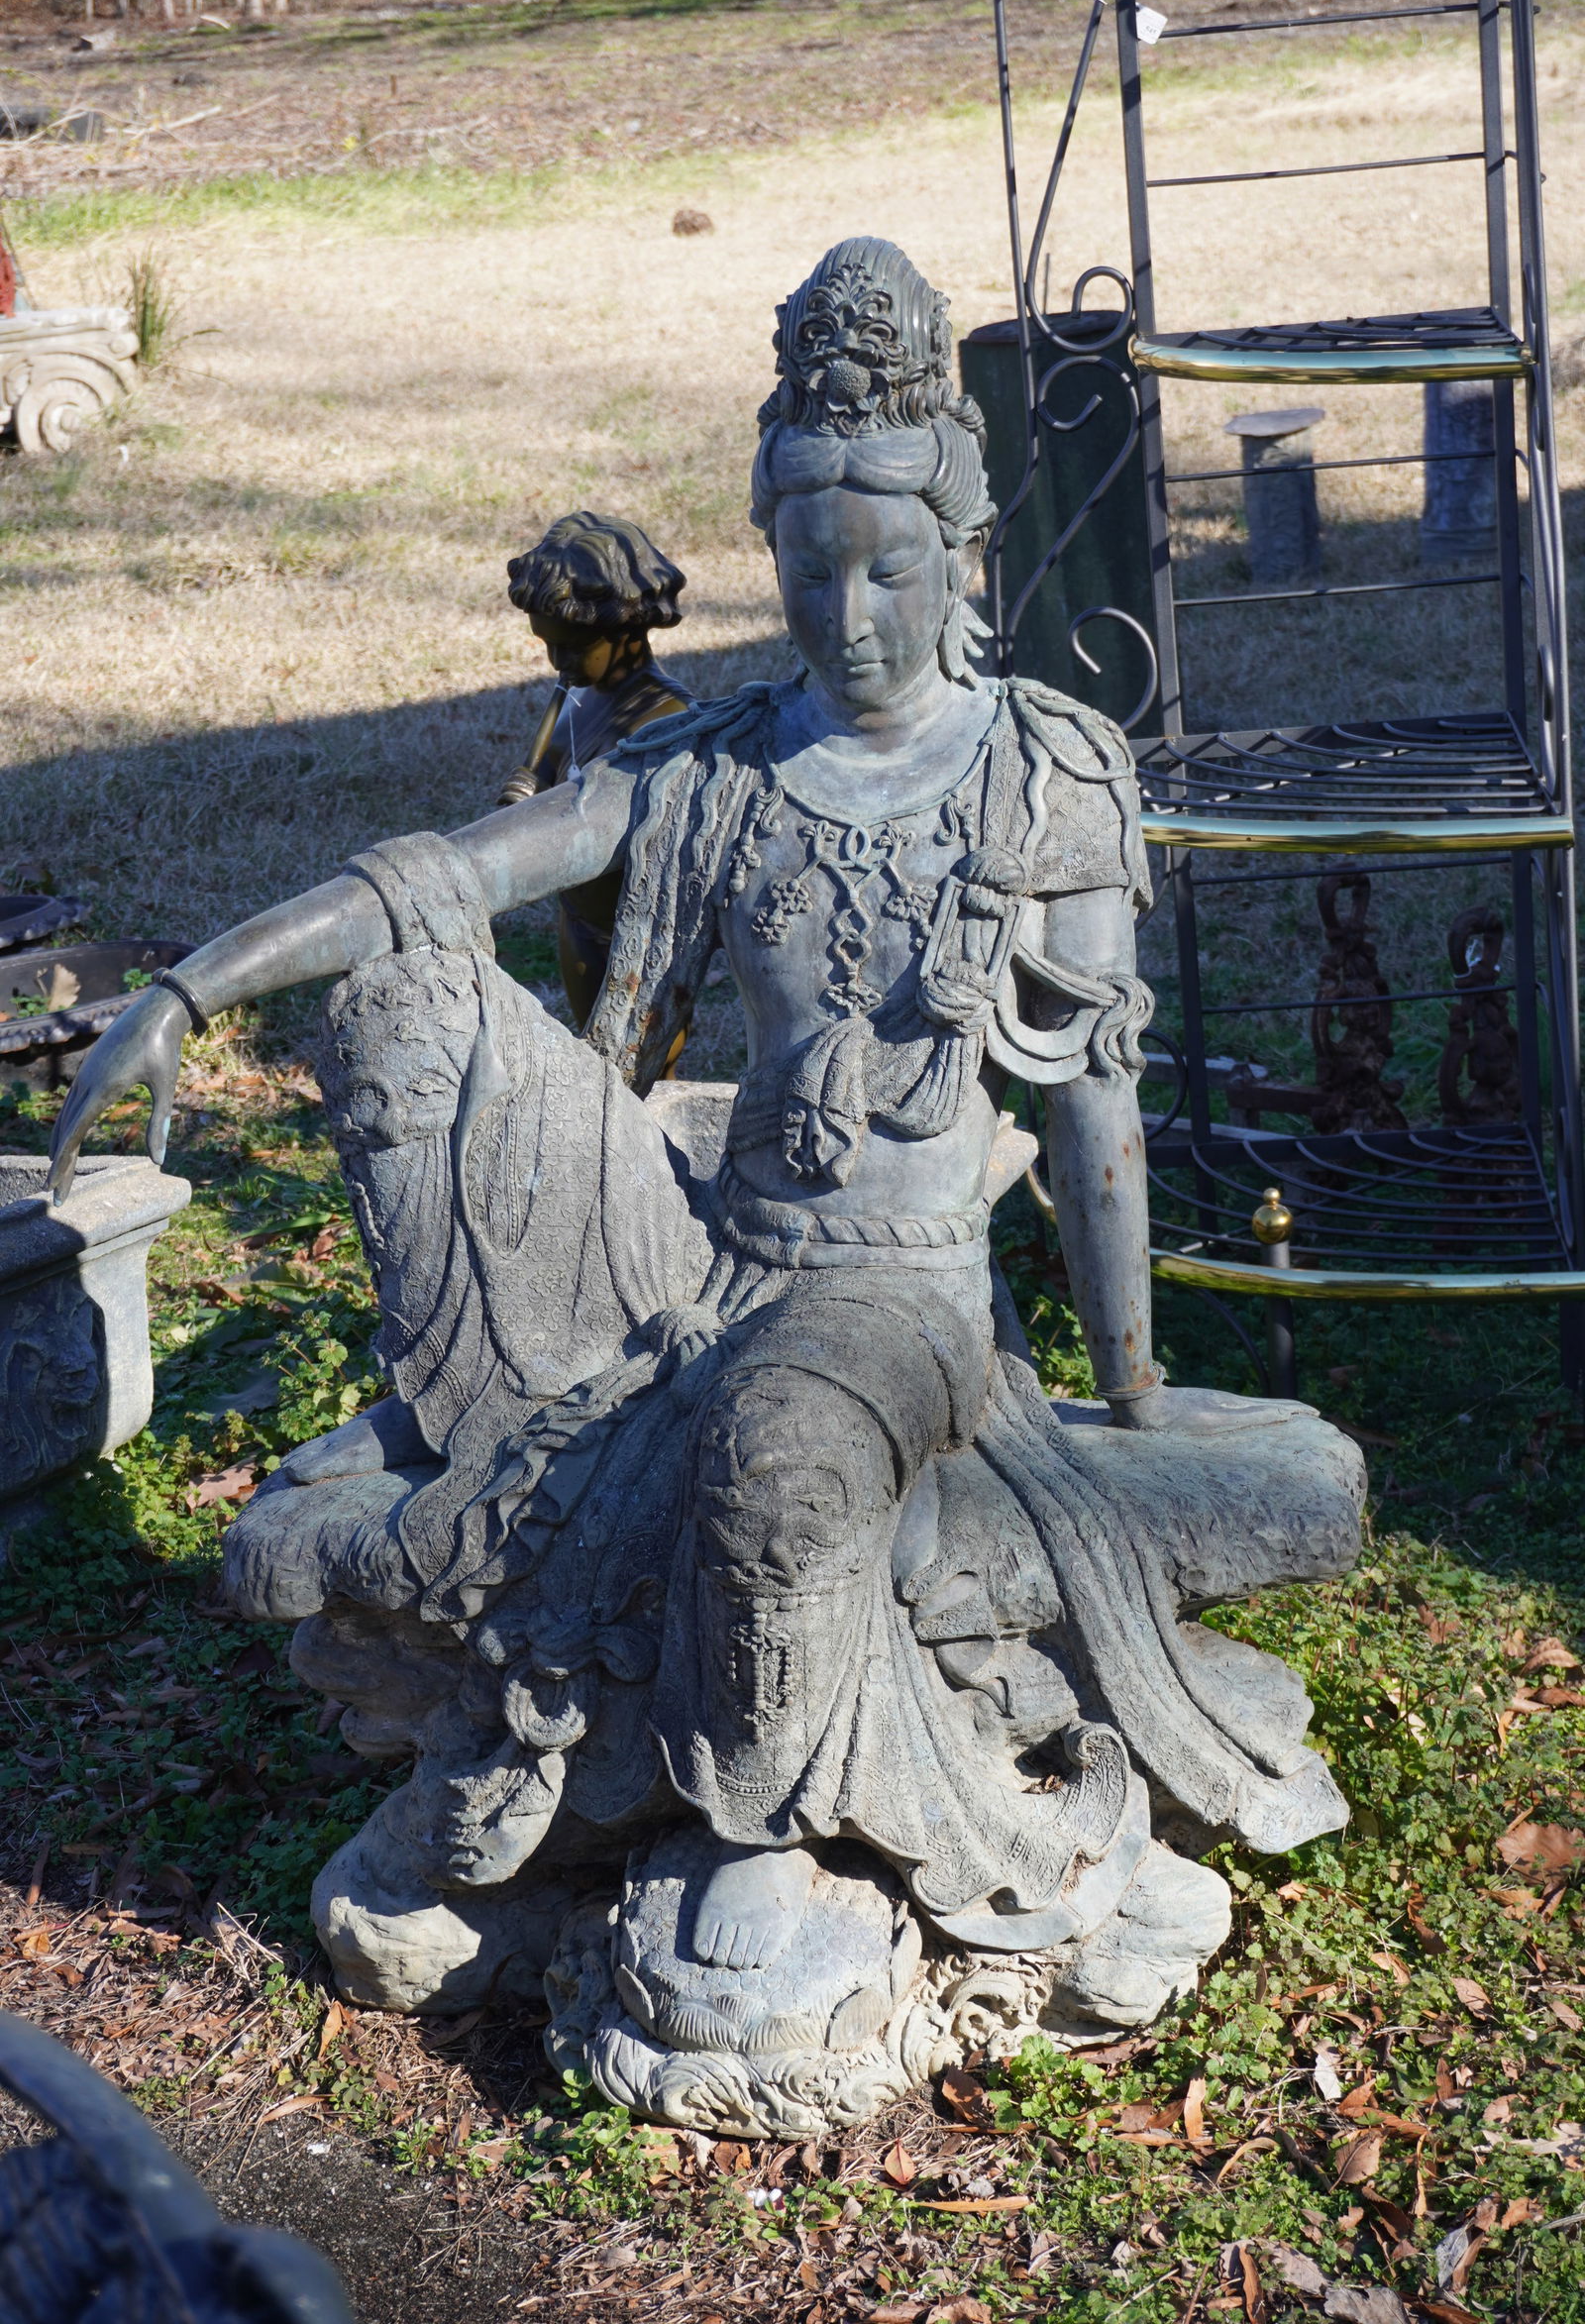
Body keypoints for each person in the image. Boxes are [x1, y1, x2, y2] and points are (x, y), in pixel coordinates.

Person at [50, 241, 1359, 2105]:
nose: (853, 610)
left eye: (892, 565)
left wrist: (1134, 1391)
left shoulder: (1045, 773)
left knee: (774, 1468)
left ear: (960, 552)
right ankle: (641, 1747)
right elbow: (458, 867)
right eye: (811, 566)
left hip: (897, 1304)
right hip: (689, 1258)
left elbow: (1092, 1114)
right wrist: (192, 979)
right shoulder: (717, 766)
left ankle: (764, 1819)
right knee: (419, 990)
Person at [496, 512, 693, 1028]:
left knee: (642, 1073)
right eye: (548, 644)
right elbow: (555, 773)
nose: (557, 662)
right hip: (580, 918)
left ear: (628, 628)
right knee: (594, 1053)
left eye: (573, 647)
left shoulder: (665, 721)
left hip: (638, 937)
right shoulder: (581, 694)